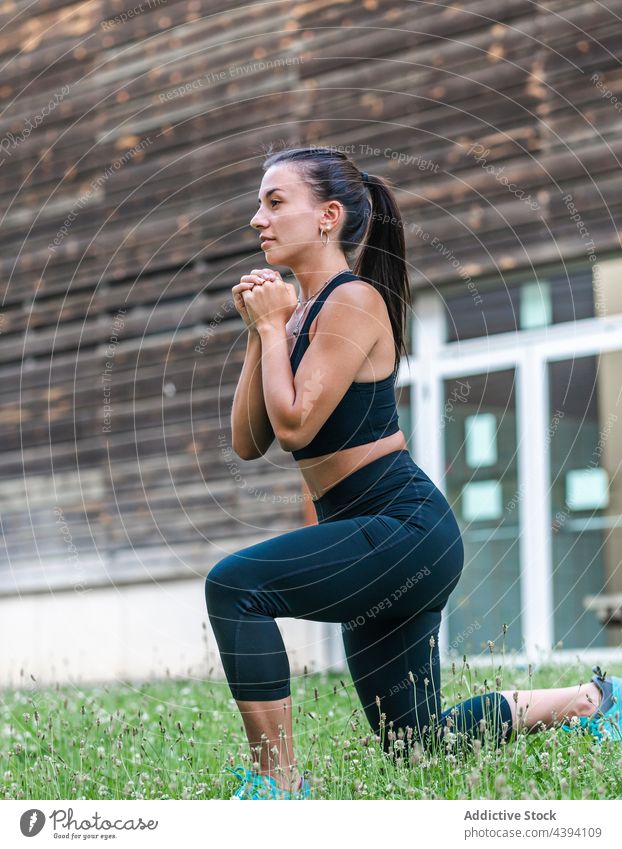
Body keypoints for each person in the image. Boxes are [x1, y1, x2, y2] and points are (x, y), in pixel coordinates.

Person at [204, 146, 621, 800]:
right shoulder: (300, 315)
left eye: (275, 201)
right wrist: (266, 334)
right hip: (371, 535)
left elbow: (295, 425)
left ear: (327, 217)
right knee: (420, 745)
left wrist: (274, 328)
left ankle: (277, 784)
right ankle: (594, 700)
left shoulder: (355, 301)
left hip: (401, 528)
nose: (258, 218)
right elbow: (249, 439)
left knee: (235, 587)